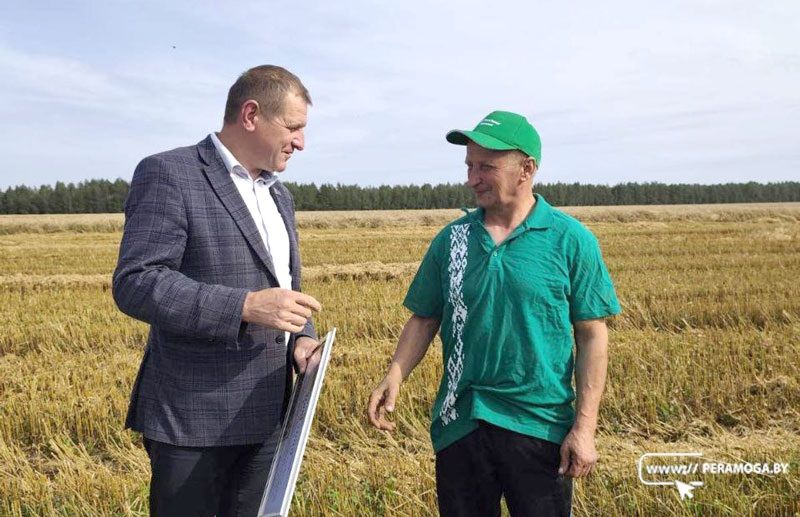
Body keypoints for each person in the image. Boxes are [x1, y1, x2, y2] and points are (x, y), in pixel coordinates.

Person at [368, 111, 621, 516]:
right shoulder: (452, 240)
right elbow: (425, 317)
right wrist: (395, 373)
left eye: (486, 166)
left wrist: (585, 427)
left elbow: (592, 334)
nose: (473, 178)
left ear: (527, 169)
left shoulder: (571, 240)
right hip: (462, 423)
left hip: (540, 427)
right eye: (469, 166)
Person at [112, 65, 322, 517]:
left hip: (268, 418)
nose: (301, 142)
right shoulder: (170, 173)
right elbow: (137, 281)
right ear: (251, 115)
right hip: (193, 422)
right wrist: (243, 306)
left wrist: (302, 338)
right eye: (293, 127)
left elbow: (285, 288)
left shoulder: (279, 195)